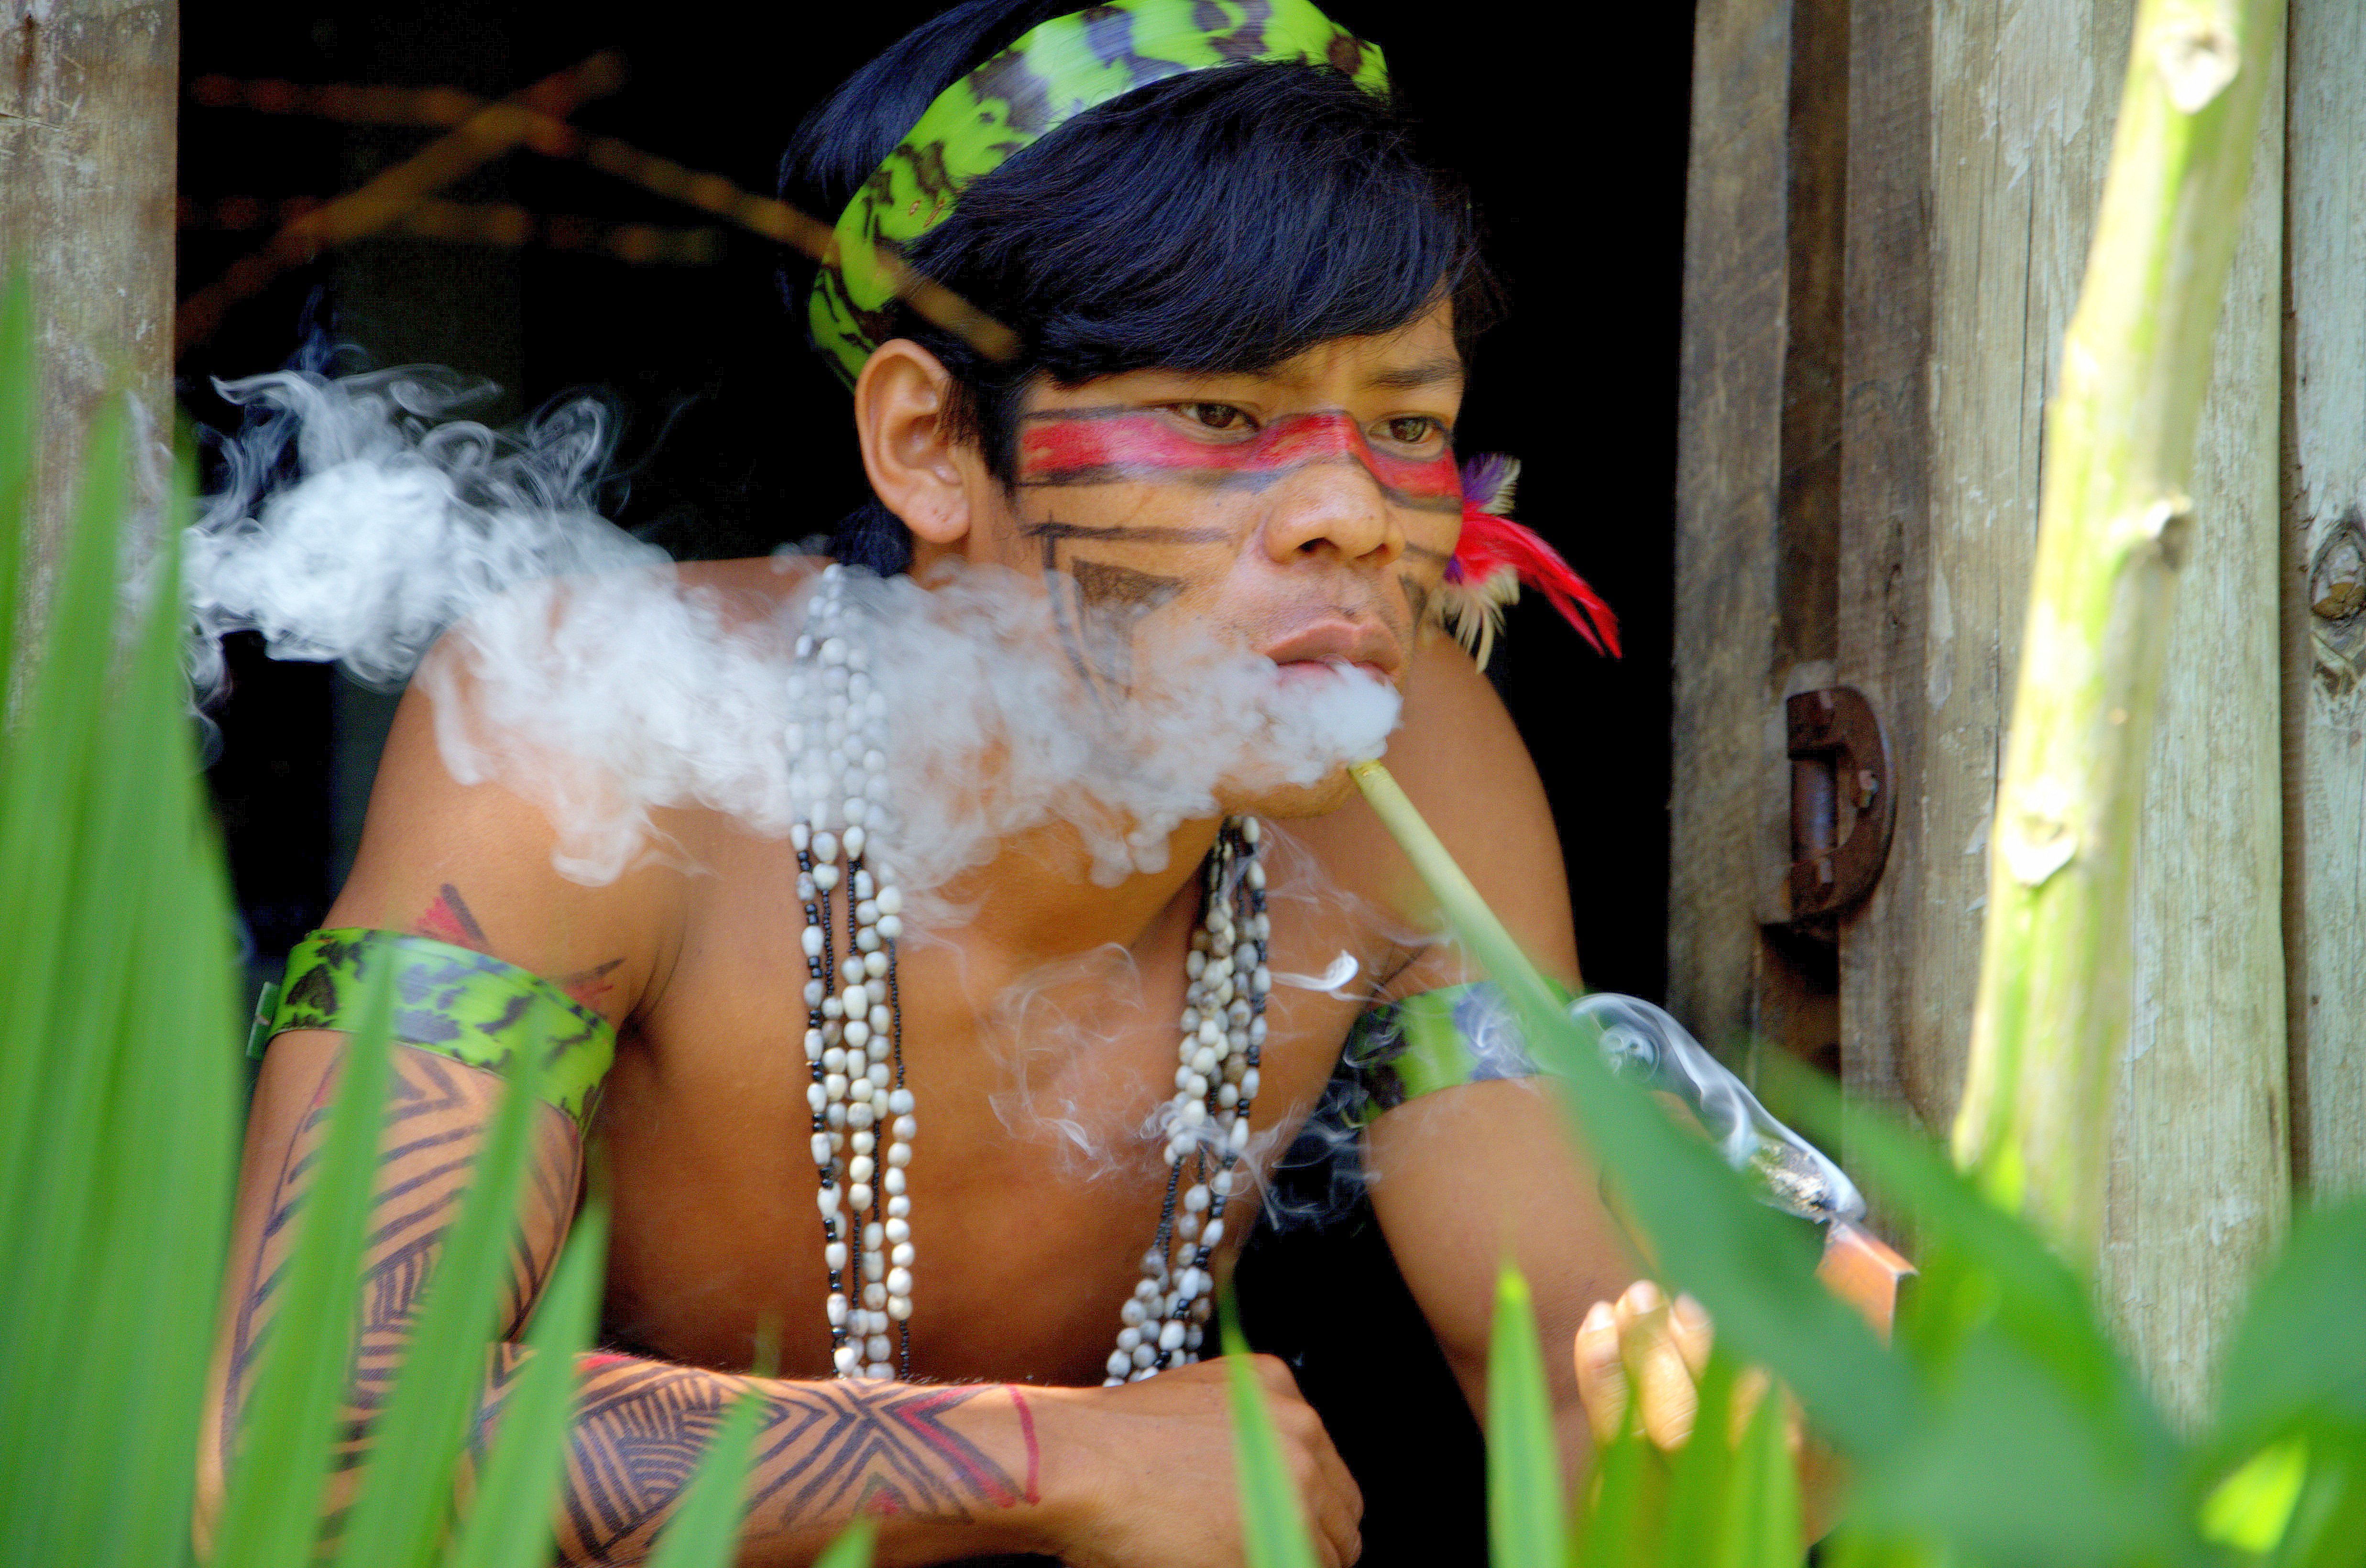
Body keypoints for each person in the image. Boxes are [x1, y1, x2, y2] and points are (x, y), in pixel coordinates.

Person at [197, 2, 1733, 1562]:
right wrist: (1051, 1460)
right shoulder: (585, 734)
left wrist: (1777, 1407)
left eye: (1407, 425)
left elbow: (1594, 1421)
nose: (1352, 512)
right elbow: (300, 1459)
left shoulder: (1416, 763)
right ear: (931, 446)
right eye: (1218, 413)